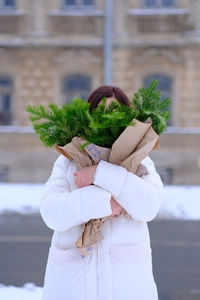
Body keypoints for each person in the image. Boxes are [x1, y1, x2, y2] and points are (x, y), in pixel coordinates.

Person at [40, 85, 163, 300]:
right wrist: (104, 202)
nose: (109, 118)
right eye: (100, 112)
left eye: (116, 111)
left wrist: (100, 173)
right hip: (72, 286)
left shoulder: (140, 160)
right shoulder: (68, 160)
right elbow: (51, 213)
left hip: (127, 287)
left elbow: (149, 207)